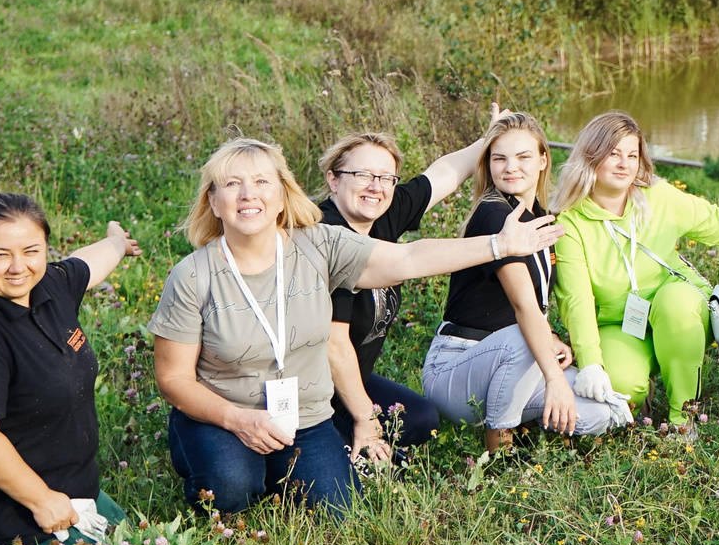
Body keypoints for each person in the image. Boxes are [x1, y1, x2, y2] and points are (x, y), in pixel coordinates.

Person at [150, 136, 558, 514]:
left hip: (305, 417)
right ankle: (233, 466)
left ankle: (278, 473)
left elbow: (408, 259)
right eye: (232, 184)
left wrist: (499, 246)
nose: (247, 194)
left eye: (261, 182)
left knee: (342, 511)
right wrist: (237, 420)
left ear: (281, 197)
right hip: (224, 414)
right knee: (231, 489)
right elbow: (173, 378)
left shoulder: (319, 243)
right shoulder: (192, 276)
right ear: (214, 201)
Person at [0, 193, 142, 545]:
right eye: (0, 254)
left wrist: (116, 241)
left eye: (31, 251)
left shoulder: (47, 287)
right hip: (6, 519)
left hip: (74, 491)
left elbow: (84, 264)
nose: (18, 267)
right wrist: (41, 500)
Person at [552, 110, 719, 426]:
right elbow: (576, 300)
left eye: (632, 155)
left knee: (677, 304)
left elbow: (709, 219)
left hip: (675, 309)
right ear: (591, 156)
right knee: (619, 383)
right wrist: (590, 364)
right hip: (618, 323)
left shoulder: (657, 197)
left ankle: (681, 420)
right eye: (613, 153)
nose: (624, 164)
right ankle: (645, 381)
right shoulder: (570, 223)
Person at [420, 112, 631, 448]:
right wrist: (553, 379)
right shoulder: (494, 215)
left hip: (510, 361)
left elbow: (536, 306)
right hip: (457, 367)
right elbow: (523, 307)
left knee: (601, 411)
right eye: (499, 158)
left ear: (543, 160)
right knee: (523, 338)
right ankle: (497, 449)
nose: (510, 167)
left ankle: (518, 415)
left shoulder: (539, 218)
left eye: (523, 157)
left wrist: (552, 340)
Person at [315, 120, 507, 460]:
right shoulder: (326, 234)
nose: (376, 187)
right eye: (362, 175)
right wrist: (366, 418)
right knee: (352, 462)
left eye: (386, 178)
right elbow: (334, 344)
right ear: (334, 178)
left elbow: (444, 173)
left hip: (352, 379)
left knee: (418, 420)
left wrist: (492, 136)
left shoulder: (380, 213)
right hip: (312, 387)